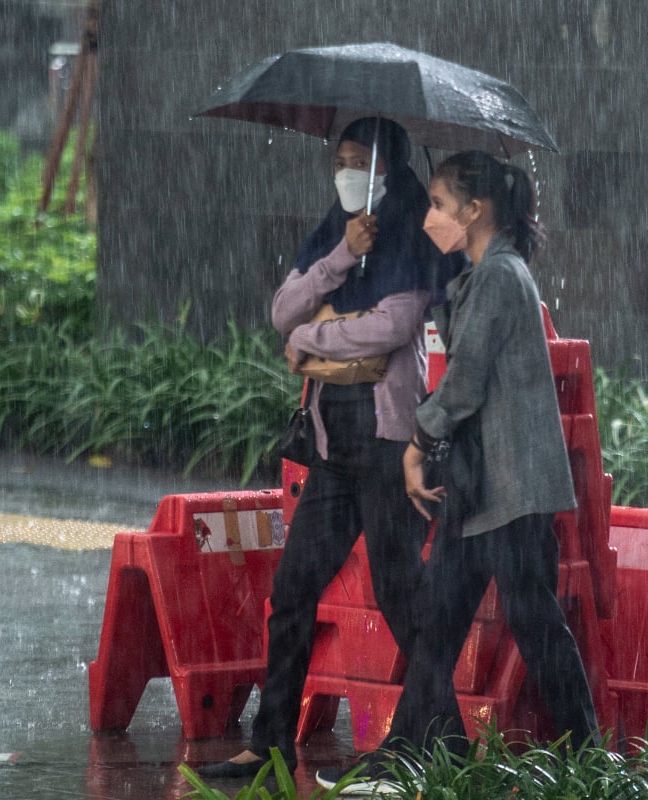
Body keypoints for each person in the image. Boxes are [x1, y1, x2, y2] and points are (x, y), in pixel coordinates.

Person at [316, 150, 599, 795]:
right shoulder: (478, 276)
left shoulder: (502, 276)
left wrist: (417, 441)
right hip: (475, 485)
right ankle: (404, 756)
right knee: (437, 623)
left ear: (474, 211)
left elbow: (465, 382)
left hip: (512, 486)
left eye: (440, 206)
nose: (430, 218)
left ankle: (589, 756)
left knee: (534, 619)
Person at [194, 117, 461, 781]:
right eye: (338, 160)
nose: (344, 173)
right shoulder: (338, 228)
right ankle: (270, 741)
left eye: (357, 162)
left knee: (399, 590)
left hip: (387, 443)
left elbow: (393, 326)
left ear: (387, 168)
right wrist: (340, 256)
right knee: (293, 588)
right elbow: (283, 309)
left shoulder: (406, 228)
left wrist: (315, 341)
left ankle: (446, 735)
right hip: (331, 449)